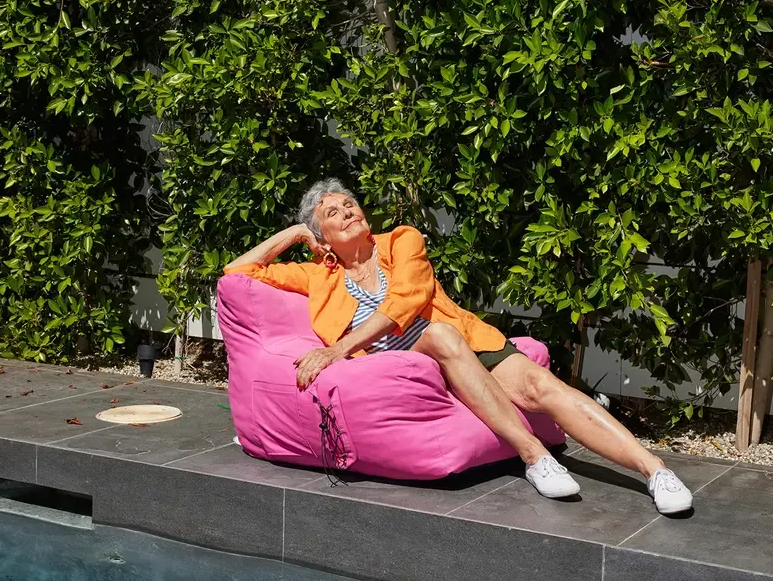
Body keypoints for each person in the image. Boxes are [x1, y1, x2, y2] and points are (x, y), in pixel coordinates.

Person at [224, 179, 693, 513]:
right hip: (397, 363)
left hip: (456, 339)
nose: (347, 212)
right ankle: (535, 457)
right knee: (440, 337)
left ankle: (654, 470)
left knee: (536, 383)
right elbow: (236, 272)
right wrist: (294, 233)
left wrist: (337, 348)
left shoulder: (402, 240)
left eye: (350, 205)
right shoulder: (316, 275)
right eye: (332, 212)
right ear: (322, 235)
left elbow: (409, 300)